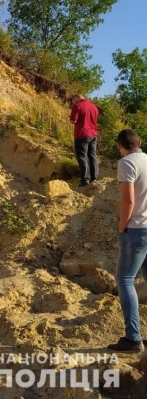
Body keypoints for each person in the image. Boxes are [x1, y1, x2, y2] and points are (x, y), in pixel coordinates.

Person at [108, 129, 147, 352]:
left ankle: (133, 338)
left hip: (136, 230)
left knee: (124, 279)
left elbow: (128, 201)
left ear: (120, 146)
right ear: (139, 142)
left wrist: (122, 228)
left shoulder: (126, 163)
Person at [69, 94, 100, 187]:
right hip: (93, 134)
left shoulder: (77, 106)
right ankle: (94, 177)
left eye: (73, 100)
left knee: (82, 157)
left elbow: (73, 120)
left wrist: (70, 118)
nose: (73, 102)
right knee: (92, 155)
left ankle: (85, 179)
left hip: (82, 134)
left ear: (76, 98)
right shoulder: (94, 107)